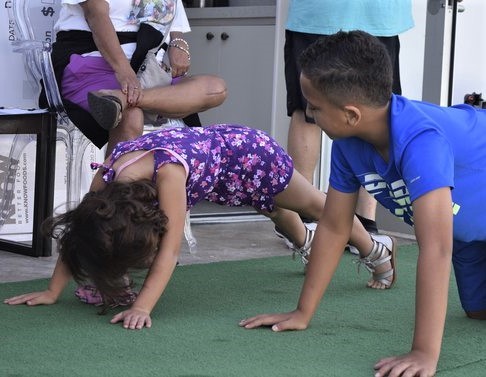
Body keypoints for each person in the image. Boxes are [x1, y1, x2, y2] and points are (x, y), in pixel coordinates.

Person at [239, 31, 486, 377]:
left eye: (314, 106)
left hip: (470, 209)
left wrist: (423, 353)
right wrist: (302, 312)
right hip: (468, 231)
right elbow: (335, 225)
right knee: (478, 312)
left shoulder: (422, 143)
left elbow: (435, 249)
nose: (308, 113)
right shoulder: (348, 143)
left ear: (351, 114)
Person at [4, 124, 396, 329]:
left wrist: (143, 305)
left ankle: (377, 250)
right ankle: (304, 242)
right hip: (212, 161)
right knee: (277, 214)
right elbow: (80, 233)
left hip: (247, 156)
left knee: (318, 207)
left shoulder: (168, 175)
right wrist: (53, 290)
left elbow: (171, 250)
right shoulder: (106, 178)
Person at [283, 0, 414, 235]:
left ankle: (301, 215)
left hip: (319, 13)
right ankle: (366, 220)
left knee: (307, 111)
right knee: (375, 113)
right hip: (378, 14)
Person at [43, 0, 227, 155]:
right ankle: (114, 195)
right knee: (131, 117)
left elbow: (171, 13)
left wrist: (178, 42)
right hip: (92, 65)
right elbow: (96, 16)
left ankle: (120, 99)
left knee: (216, 88)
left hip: (149, 69)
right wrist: (124, 72)